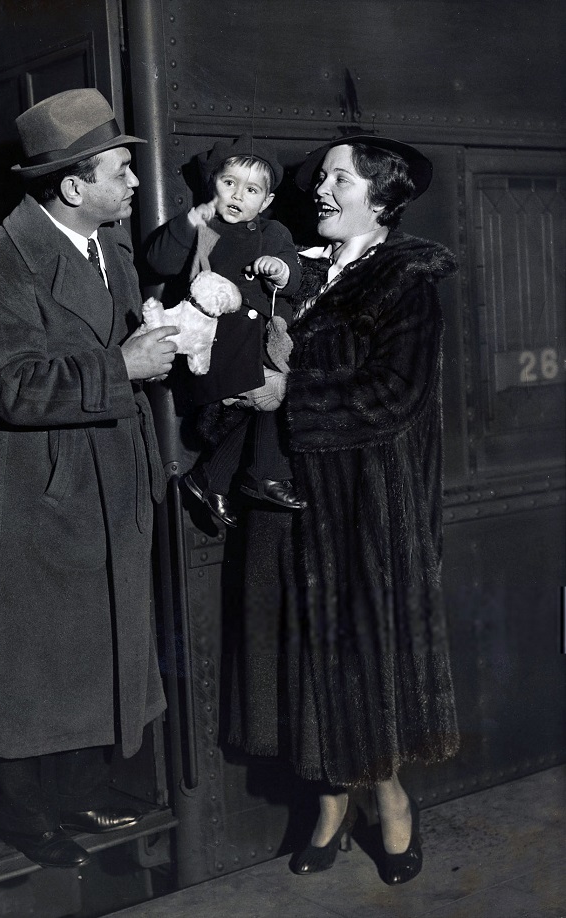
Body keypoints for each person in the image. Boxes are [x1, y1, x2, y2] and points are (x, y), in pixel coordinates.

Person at [0, 89, 178, 869]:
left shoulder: (111, 248)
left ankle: (84, 790)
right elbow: (9, 386)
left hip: (102, 472)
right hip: (28, 485)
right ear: (73, 186)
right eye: (121, 170)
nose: (136, 183)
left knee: (99, 642)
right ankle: (23, 812)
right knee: (32, 656)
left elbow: (119, 338)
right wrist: (122, 365)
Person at [229, 135, 460, 884]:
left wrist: (288, 393)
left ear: (382, 196)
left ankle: (389, 799)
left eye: (336, 179)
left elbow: (398, 395)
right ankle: (330, 798)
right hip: (291, 503)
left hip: (368, 507)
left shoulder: (406, 279)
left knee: (365, 664)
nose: (319, 190)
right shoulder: (304, 270)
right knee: (303, 661)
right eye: (321, 178)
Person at [147, 135, 303, 528]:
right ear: (211, 183)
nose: (237, 195)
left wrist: (282, 270)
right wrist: (192, 220)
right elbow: (160, 260)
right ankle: (264, 474)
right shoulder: (204, 229)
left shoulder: (274, 232)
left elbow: (294, 274)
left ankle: (211, 478)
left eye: (251, 190)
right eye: (228, 182)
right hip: (221, 347)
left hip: (262, 346)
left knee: (271, 402)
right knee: (274, 396)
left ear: (265, 202)